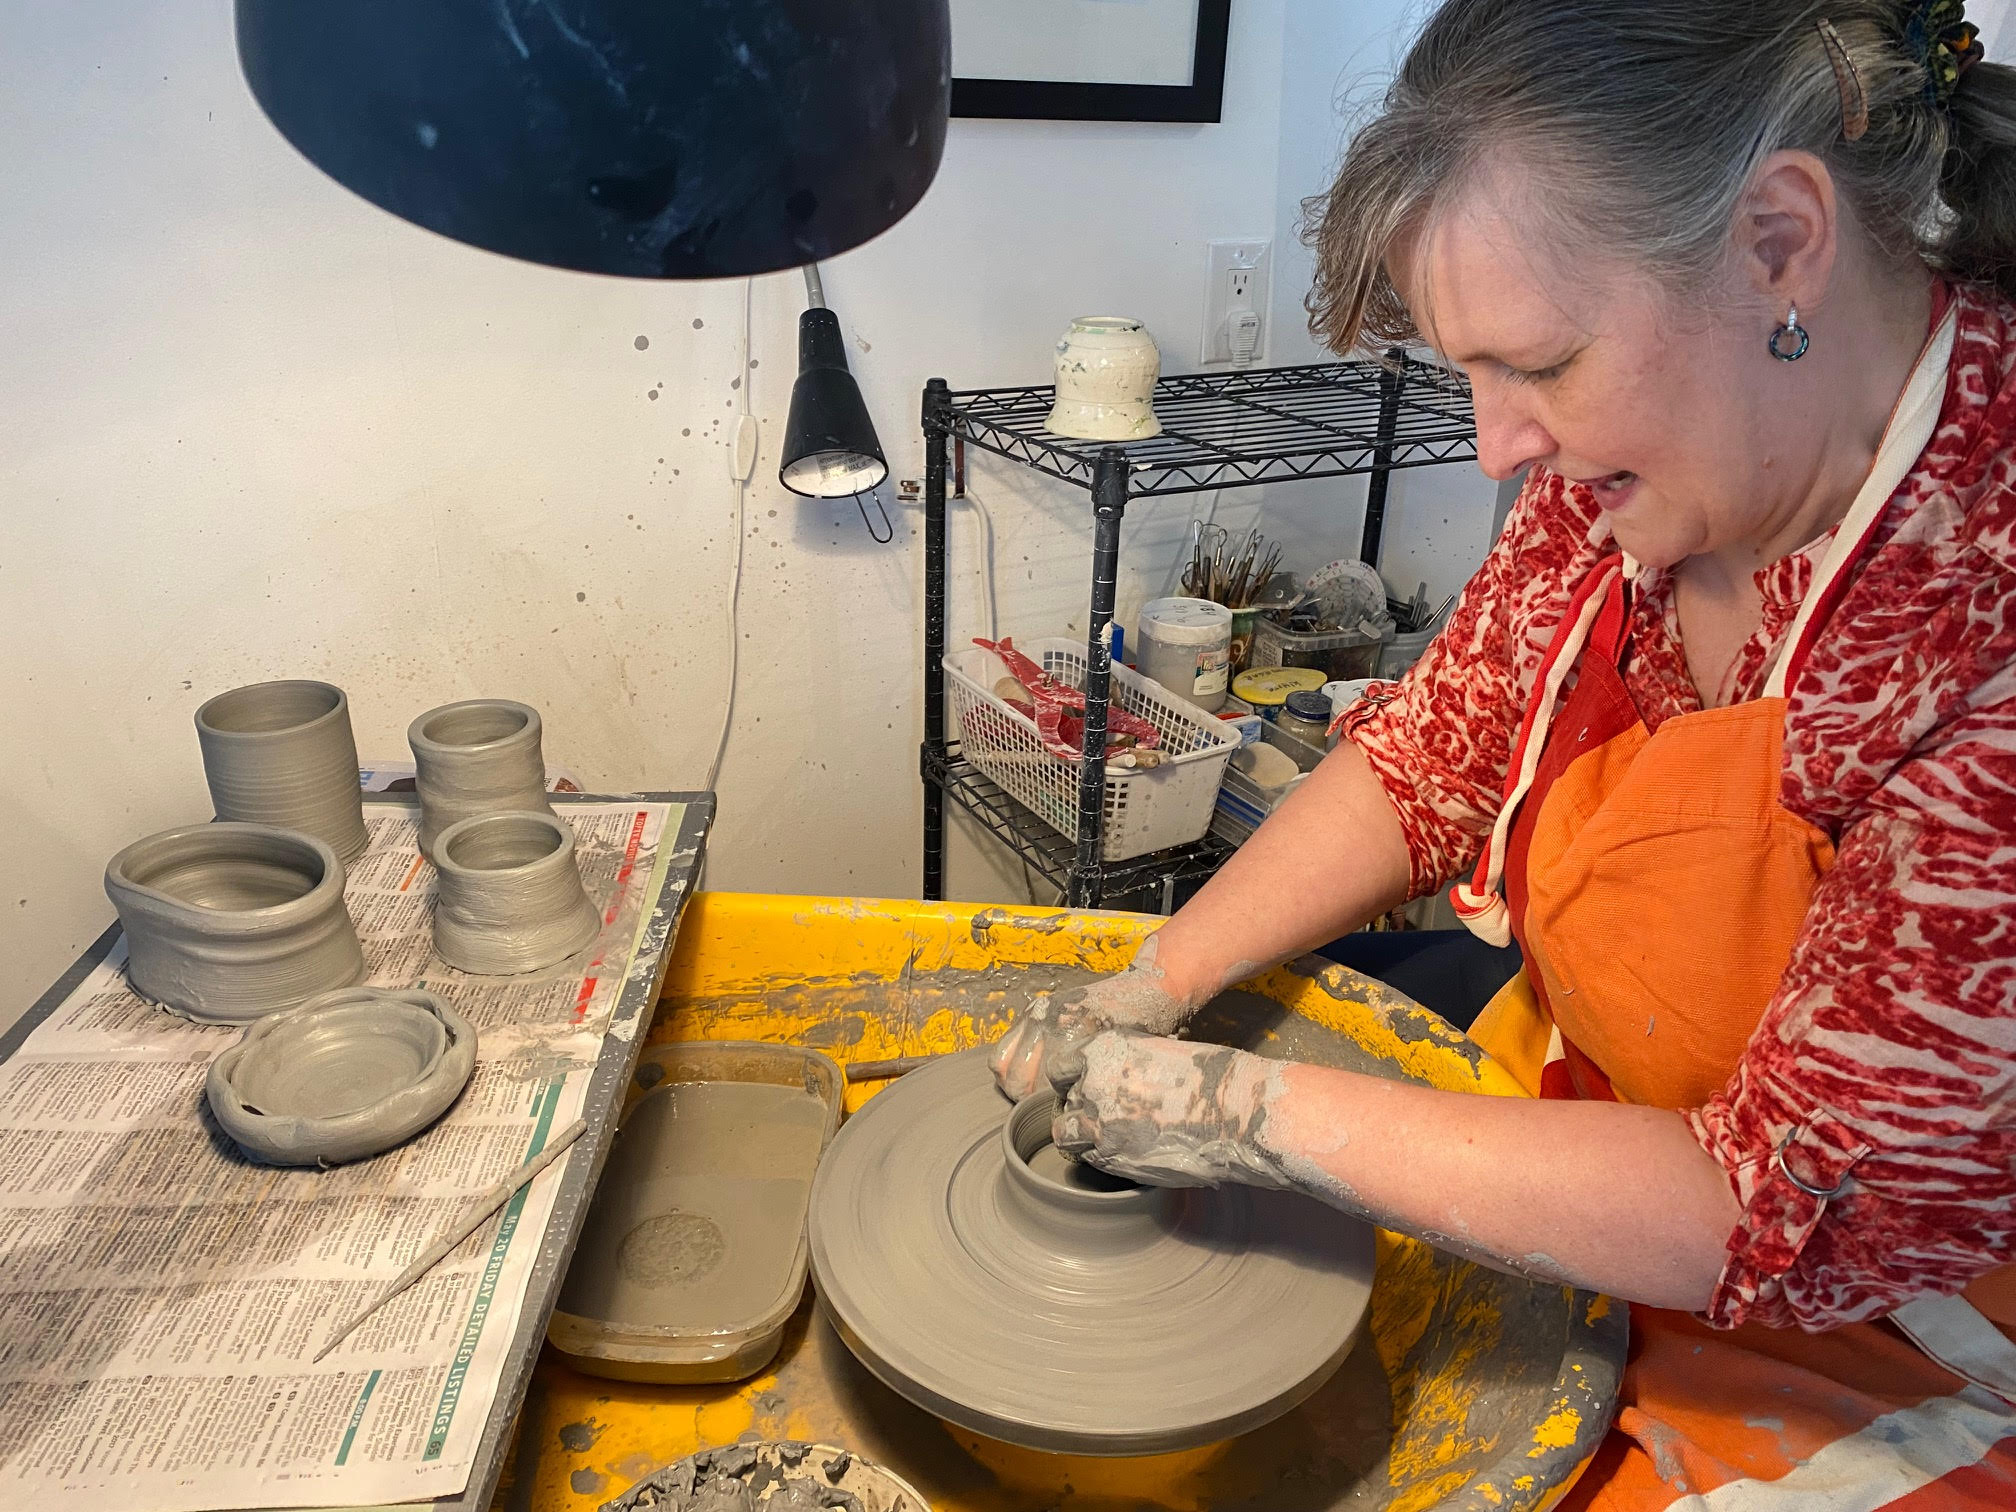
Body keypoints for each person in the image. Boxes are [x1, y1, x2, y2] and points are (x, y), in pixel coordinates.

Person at [988, 1, 2016, 1505]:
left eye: (1538, 363)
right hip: (1599, 1116)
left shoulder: (1976, 606)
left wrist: (1245, 1116)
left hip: (1899, 1313)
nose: (1492, 447)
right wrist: (1161, 979)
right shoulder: (1629, 472)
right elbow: (1431, 758)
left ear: (1780, 243)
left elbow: (1783, 1199)